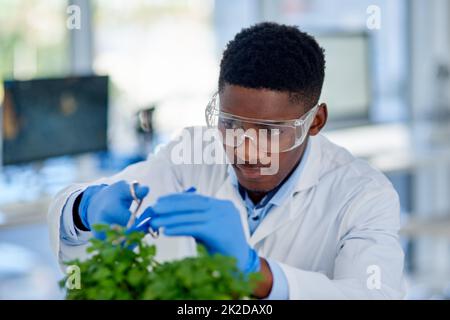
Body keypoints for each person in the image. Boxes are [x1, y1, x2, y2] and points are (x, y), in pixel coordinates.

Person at [49, 22, 405, 299]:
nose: (244, 149)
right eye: (231, 124)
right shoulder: (190, 153)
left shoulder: (364, 195)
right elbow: (77, 228)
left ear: (315, 121)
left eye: (269, 131)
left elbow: (374, 294)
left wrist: (256, 273)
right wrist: (85, 209)